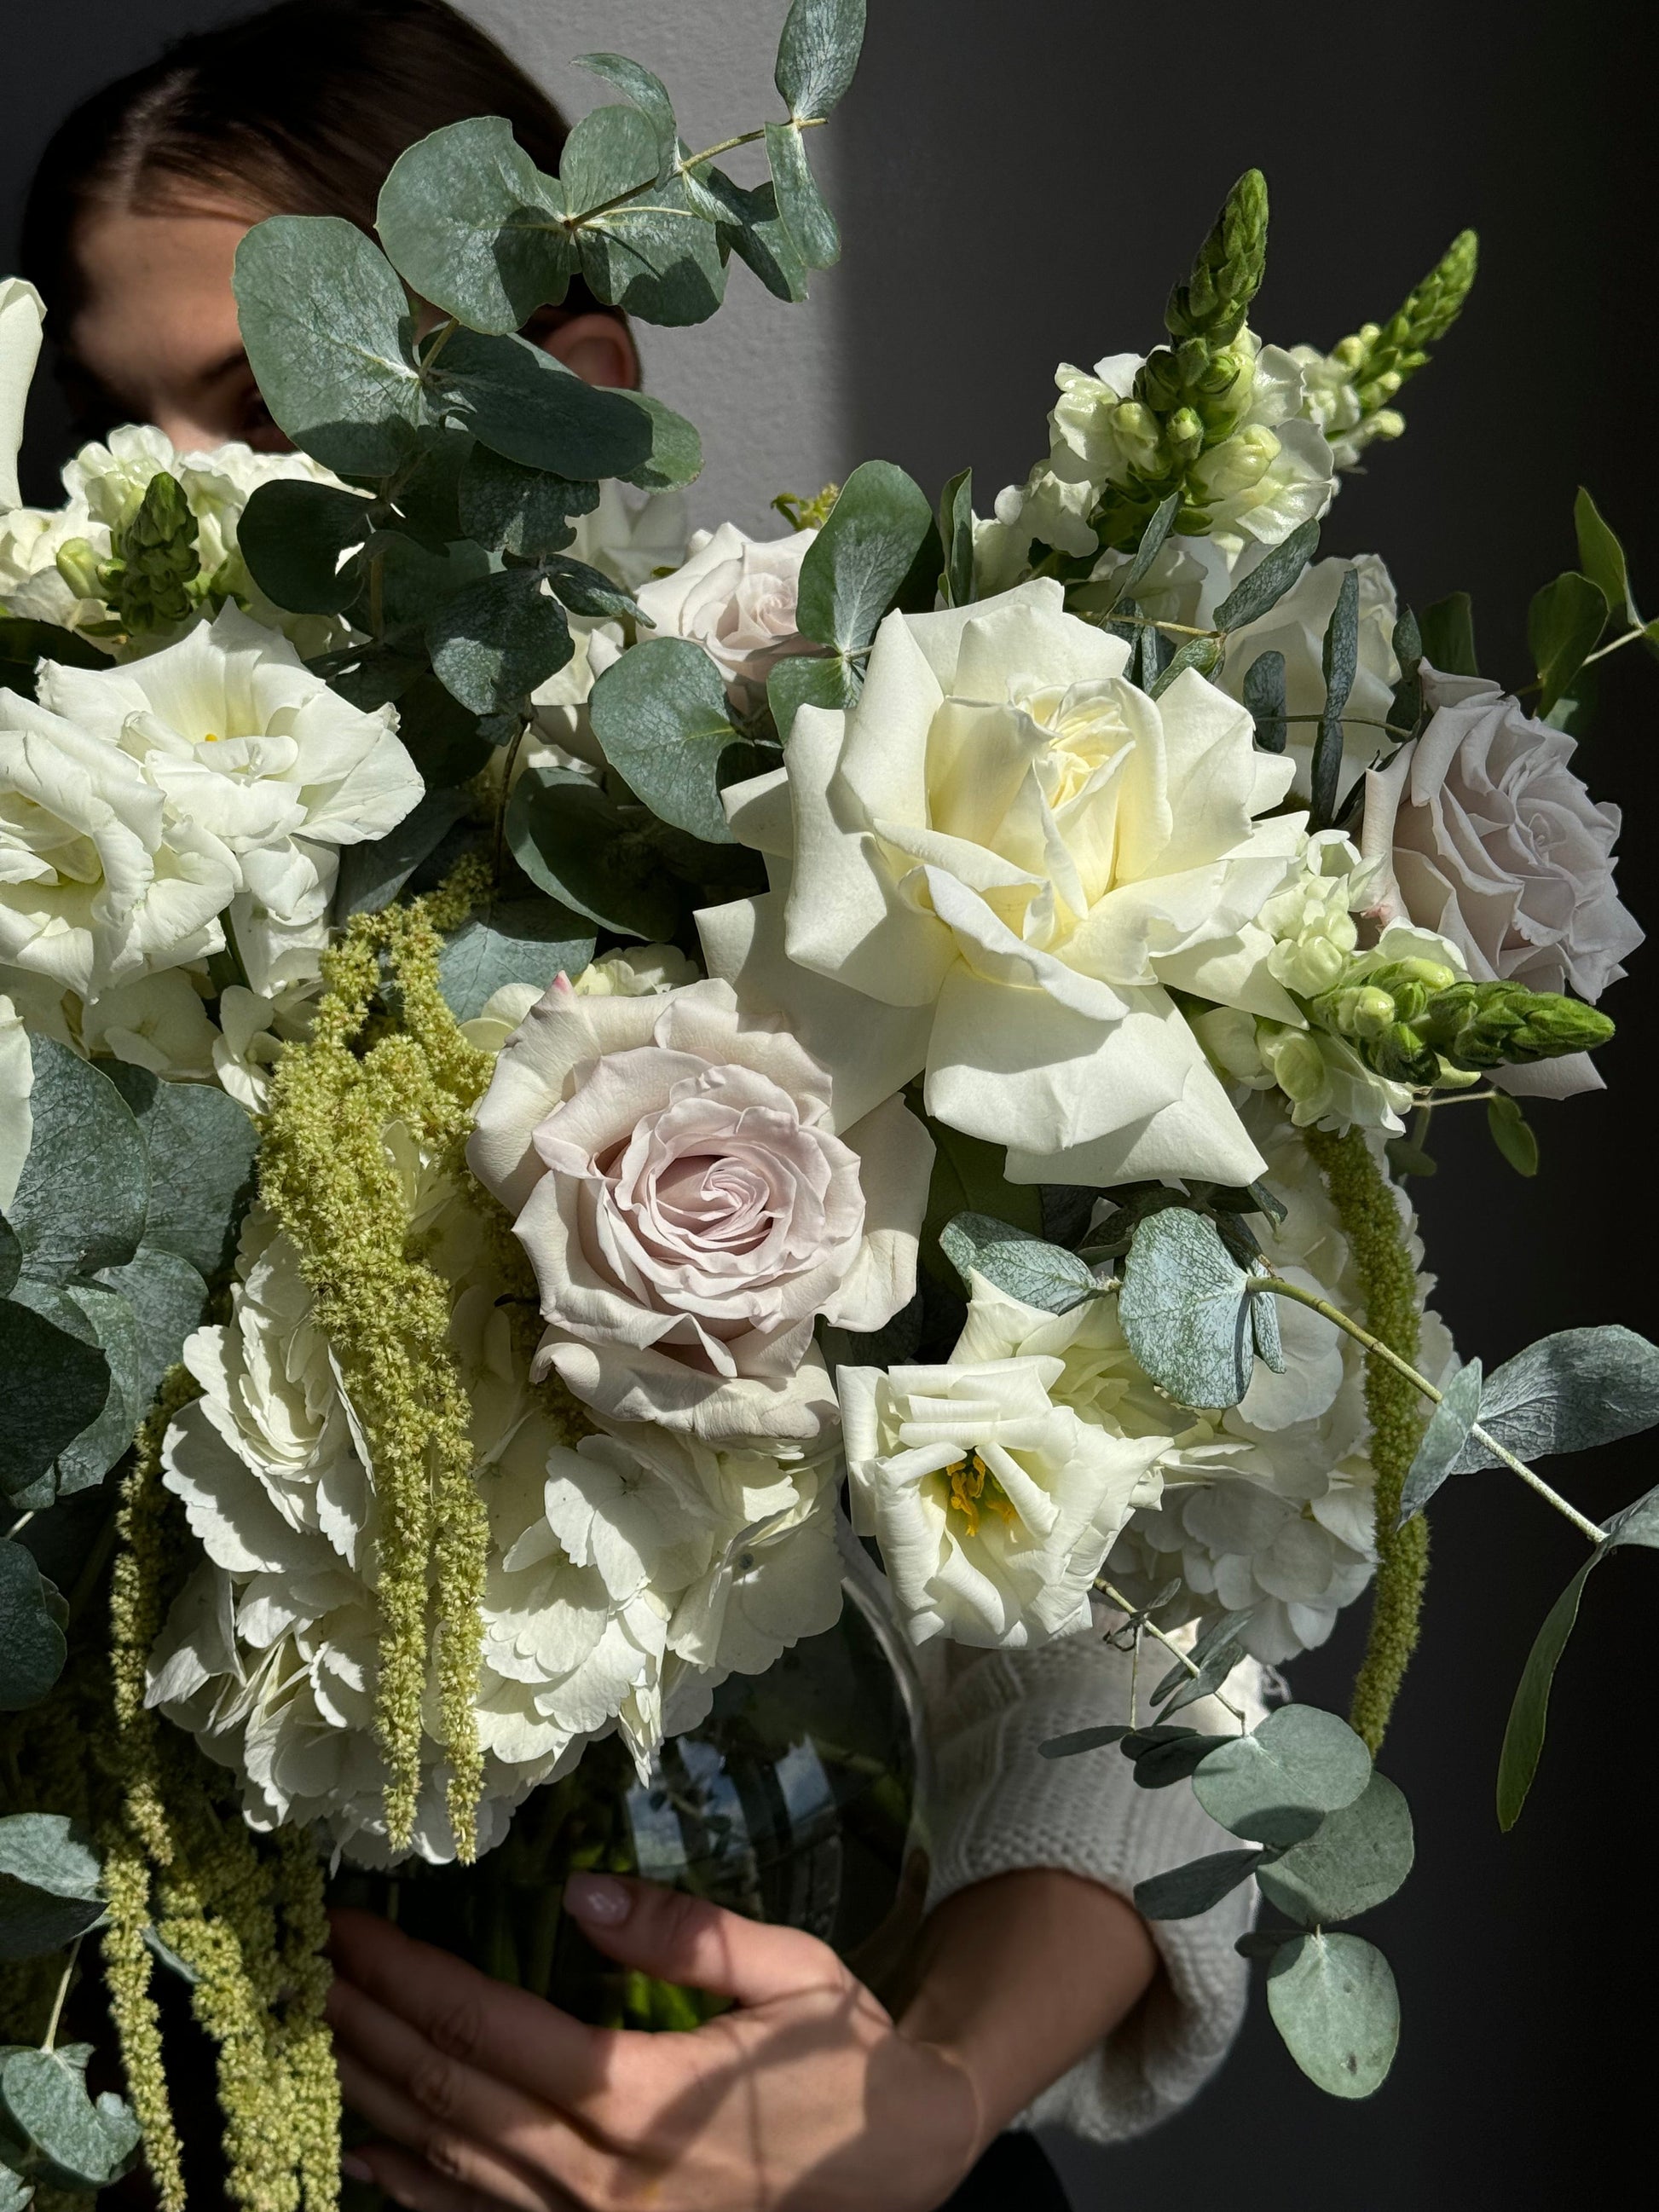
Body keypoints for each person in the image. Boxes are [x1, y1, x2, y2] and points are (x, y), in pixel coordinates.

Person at [17, 6, 1257, 2206]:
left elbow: (1135, 1664)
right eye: (108, 428)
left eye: (249, 405)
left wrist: (918, 2104)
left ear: (562, 386)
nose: (167, 500)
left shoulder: (827, 878)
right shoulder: (74, 946)